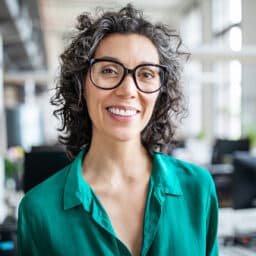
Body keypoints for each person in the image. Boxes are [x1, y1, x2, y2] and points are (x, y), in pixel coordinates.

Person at [17, 4, 218, 256]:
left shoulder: (197, 189)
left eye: (146, 74)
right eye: (109, 71)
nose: (128, 90)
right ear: (81, 85)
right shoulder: (39, 211)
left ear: (160, 93)